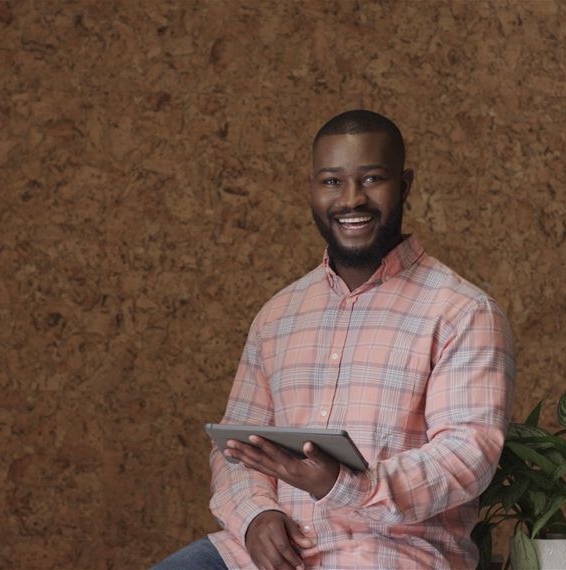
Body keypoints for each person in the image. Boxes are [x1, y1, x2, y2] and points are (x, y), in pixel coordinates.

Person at [154, 110, 515, 570]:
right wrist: (255, 516)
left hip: (392, 552)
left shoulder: (463, 312)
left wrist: (344, 485)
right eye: (332, 182)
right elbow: (236, 449)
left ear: (404, 186)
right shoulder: (278, 316)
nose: (351, 199)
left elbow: (468, 455)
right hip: (266, 554)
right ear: (312, 187)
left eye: (371, 179)